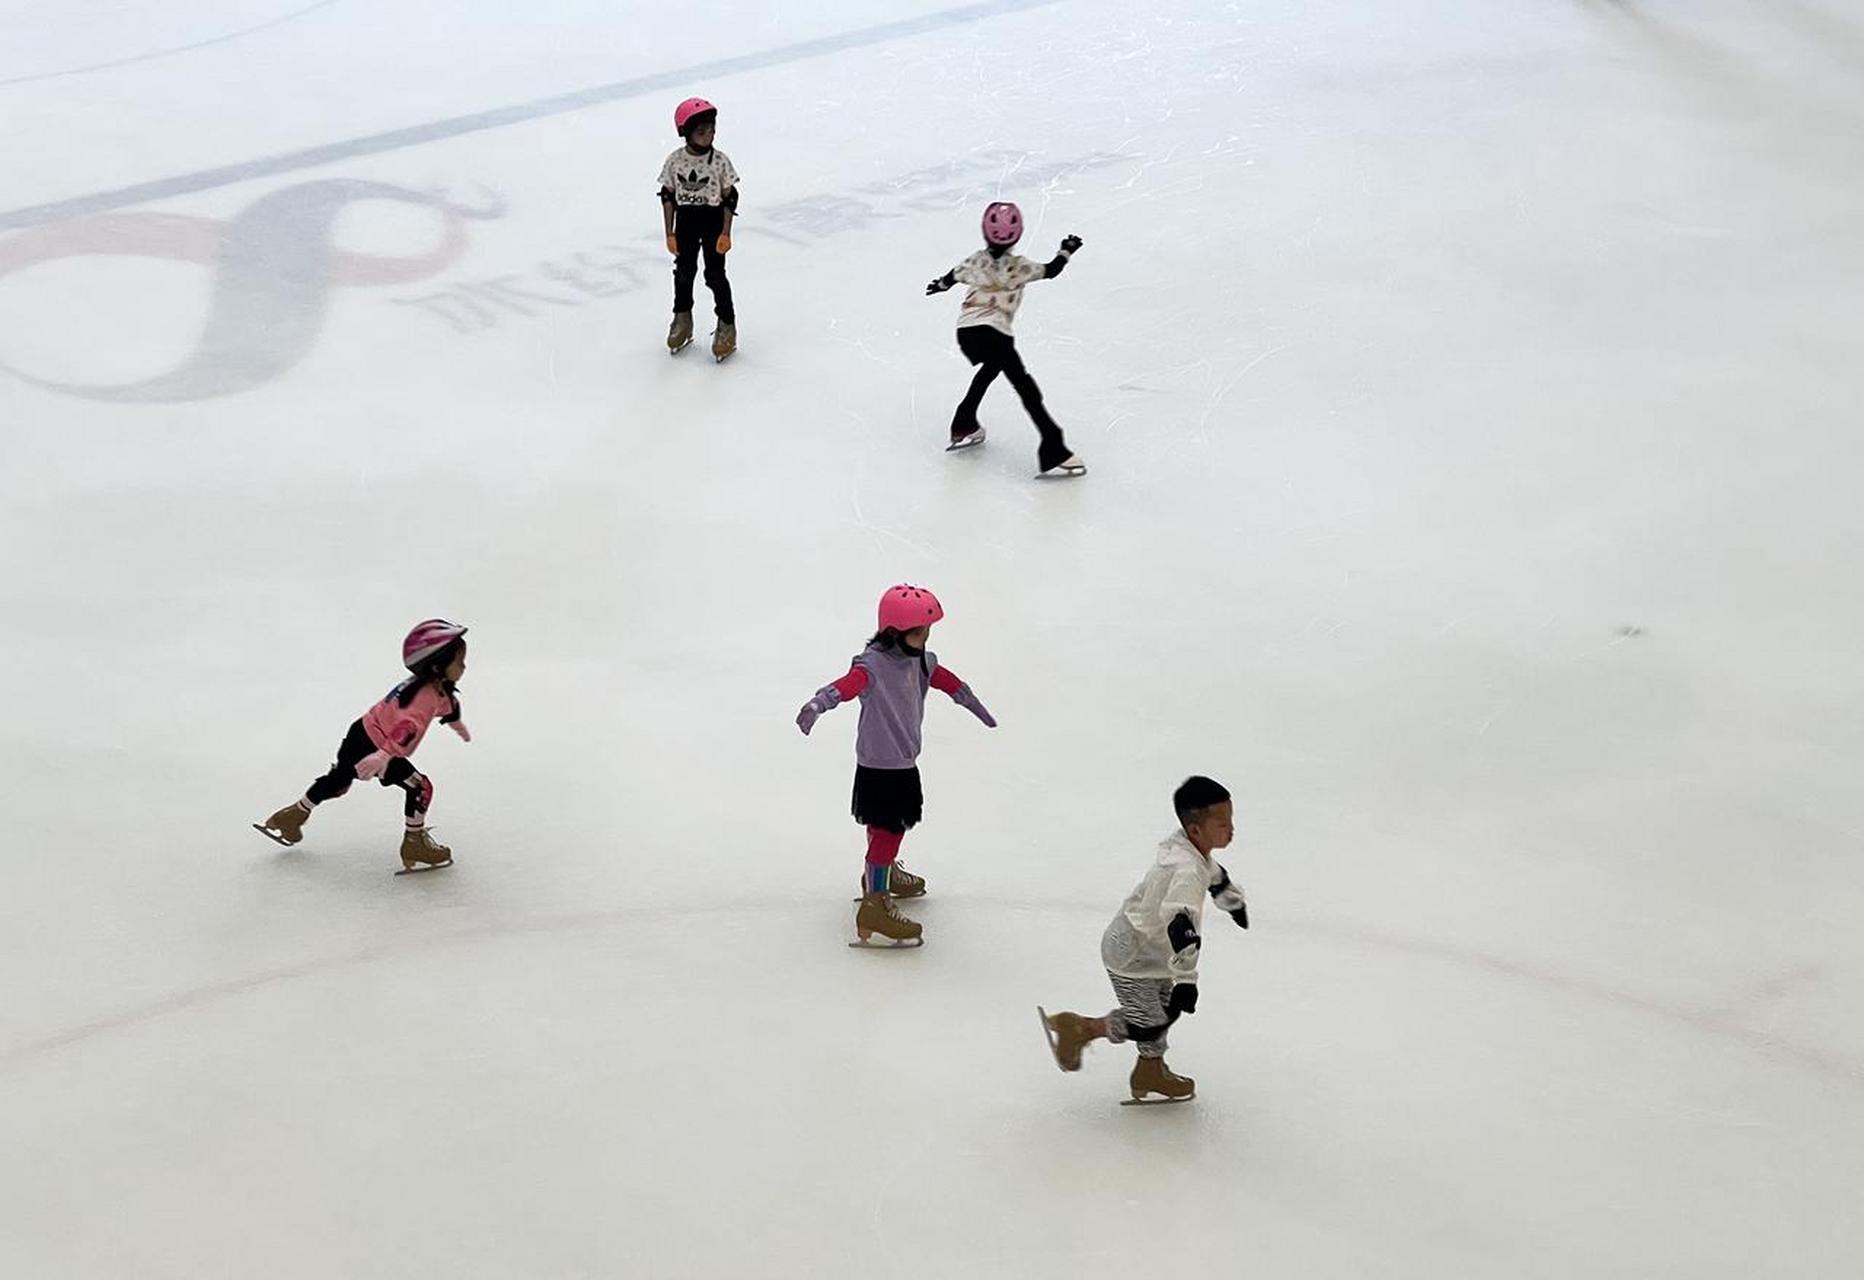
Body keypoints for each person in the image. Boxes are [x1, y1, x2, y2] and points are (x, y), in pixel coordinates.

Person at [795, 585, 997, 946]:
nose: (926, 639)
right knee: (889, 830)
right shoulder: (871, 665)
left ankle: (879, 875)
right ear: (894, 632)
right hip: (880, 768)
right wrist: (817, 704)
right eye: (920, 633)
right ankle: (875, 904)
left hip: (903, 763)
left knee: (886, 827)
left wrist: (972, 702)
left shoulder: (921, 661)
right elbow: (845, 686)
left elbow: (949, 683)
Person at [1039, 776, 1249, 1102]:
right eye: (1222, 823)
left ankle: (1108, 1044)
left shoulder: (1189, 850)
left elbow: (1214, 873)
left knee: (1159, 1014)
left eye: (1231, 820)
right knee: (1151, 1023)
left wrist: (1230, 899)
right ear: (1195, 830)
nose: (1231, 829)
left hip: (1149, 949)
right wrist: (1186, 981)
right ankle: (1110, 1046)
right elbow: (1181, 926)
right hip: (1133, 954)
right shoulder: (1187, 873)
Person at [254, 619, 471, 873]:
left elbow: (447, 705)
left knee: (338, 780)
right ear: (437, 665)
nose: (464, 667)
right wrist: (383, 757)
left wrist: (456, 723)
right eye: (459, 661)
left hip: (362, 730)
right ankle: (414, 843)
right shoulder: (424, 698)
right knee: (420, 787)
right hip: (378, 746)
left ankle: (292, 815)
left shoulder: (425, 687)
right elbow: (406, 729)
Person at [925, 201, 1086, 477]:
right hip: (996, 333)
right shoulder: (1020, 267)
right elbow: (1052, 270)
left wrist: (939, 285)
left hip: (967, 333)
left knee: (990, 370)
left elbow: (951, 277)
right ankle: (1054, 447)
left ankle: (964, 422)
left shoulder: (975, 260)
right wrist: (1067, 250)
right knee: (1027, 390)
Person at [659, 96, 740, 360]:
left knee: (715, 275)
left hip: (713, 219)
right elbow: (668, 195)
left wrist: (726, 232)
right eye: (702, 131)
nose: (709, 135)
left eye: (712, 130)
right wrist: (669, 233)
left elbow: (730, 196)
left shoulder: (720, 162)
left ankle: (727, 324)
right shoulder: (675, 162)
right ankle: (682, 318)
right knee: (683, 273)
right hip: (686, 221)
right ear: (686, 132)